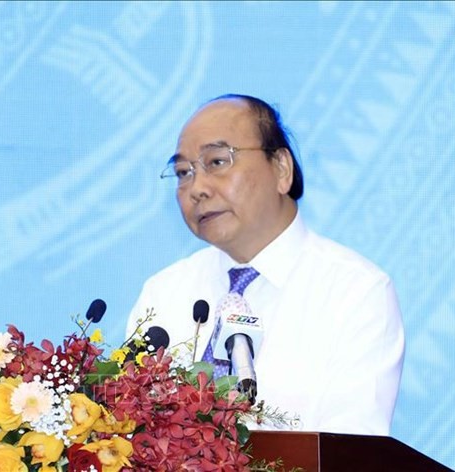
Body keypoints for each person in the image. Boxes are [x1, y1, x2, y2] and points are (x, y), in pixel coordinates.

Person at [127, 94, 404, 435]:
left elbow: (350, 452)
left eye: (216, 161)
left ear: (282, 169)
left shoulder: (355, 291)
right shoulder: (164, 294)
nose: (196, 188)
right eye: (183, 172)